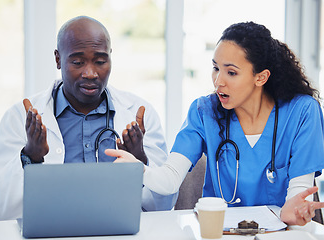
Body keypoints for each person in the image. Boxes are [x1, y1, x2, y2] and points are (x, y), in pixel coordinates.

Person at [106, 21, 324, 226]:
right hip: (219, 232)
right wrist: (139, 168)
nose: (218, 81)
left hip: (279, 232)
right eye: (215, 68)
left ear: (261, 77)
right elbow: (170, 179)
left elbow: (299, 193)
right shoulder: (204, 112)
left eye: (231, 72)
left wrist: (293, 211)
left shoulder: (302, 112)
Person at [0, 16, 178, 221]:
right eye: (77, 62)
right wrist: (29, 156)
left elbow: (165, 204)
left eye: (100, 61)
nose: (90, 73)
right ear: (58, 59)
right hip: (51, 233)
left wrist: (141, 163)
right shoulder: (20, 118)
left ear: (110, 57)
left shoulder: (139, 114)